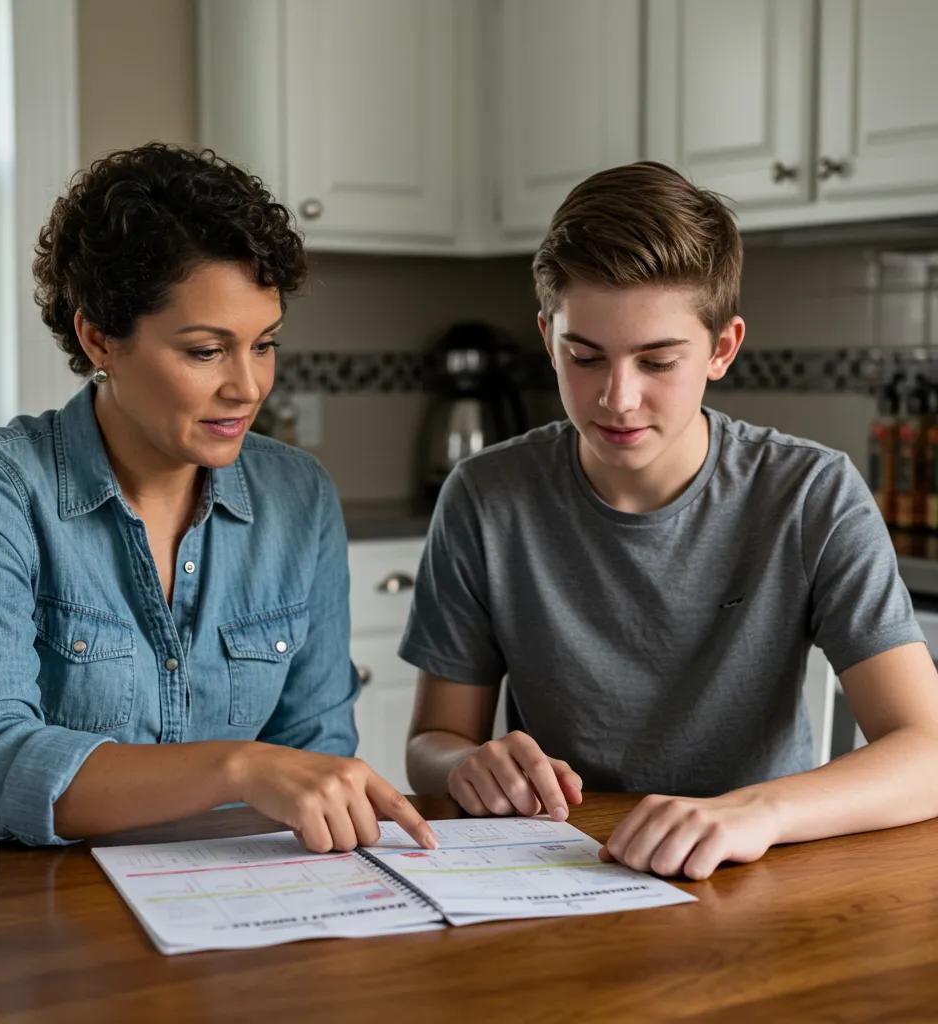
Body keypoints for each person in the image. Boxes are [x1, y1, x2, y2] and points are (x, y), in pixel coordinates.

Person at [401, 161, 938, 880]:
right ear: (546, 336)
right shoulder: (484, 496)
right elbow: (433, 740)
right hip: (559, 869)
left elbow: (926, 750)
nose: (618, 399)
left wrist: (759, 811)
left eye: (657, 361)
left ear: (722, 348)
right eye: (583, 357)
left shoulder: (811, 494)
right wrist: (469, 764)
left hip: (750, 871)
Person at [0, 143, 435, 854]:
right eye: (204, 350)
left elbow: (316, 751)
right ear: (99, 337)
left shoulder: (298, 496)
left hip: (243, 896)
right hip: (49, 913)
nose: (248, 386)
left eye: (264, 344)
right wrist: (235, 767)